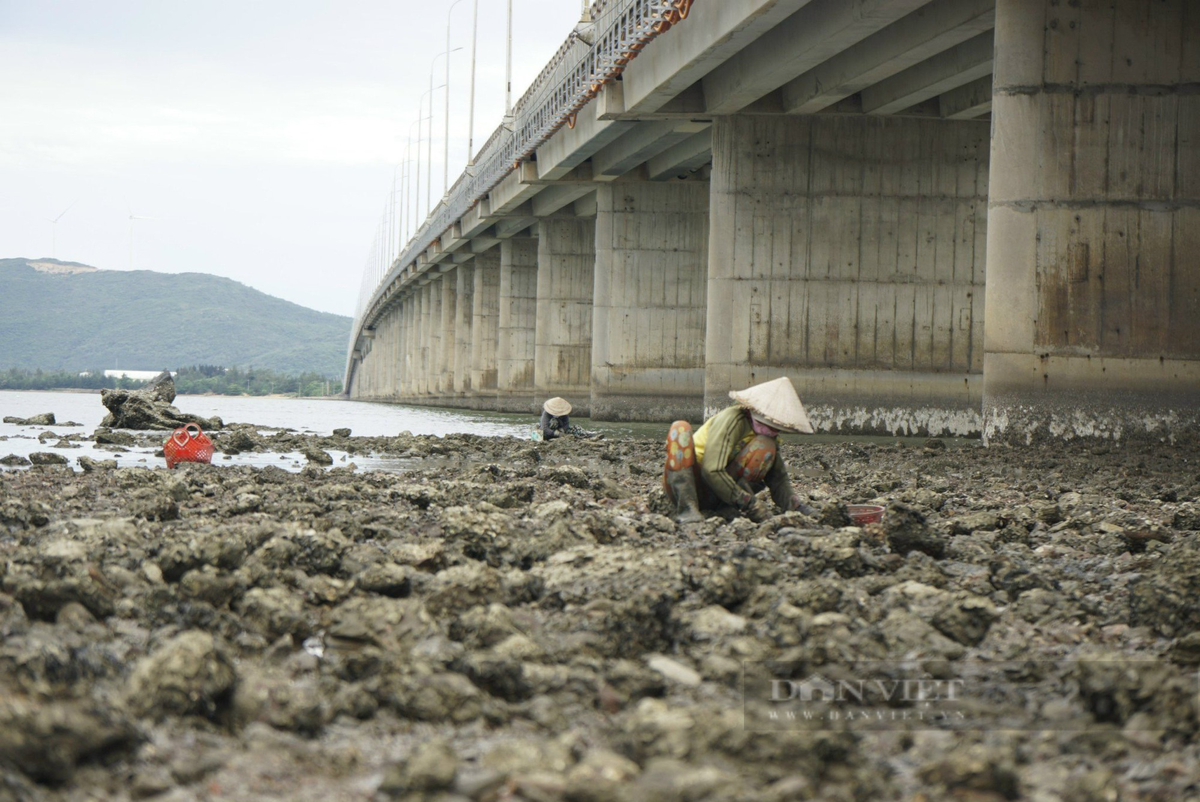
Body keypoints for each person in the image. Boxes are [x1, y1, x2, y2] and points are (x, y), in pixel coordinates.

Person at [663, 376, 817, 523]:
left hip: (721, 495)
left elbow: (778, 477)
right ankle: (687, 509)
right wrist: (747, 502)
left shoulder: (769, 437)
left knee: (766, 446)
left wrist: (796, 506)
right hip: (693, 484)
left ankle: (726, 508)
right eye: (769, 426)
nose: (772, 431)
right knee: (680, 428)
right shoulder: (732, 420)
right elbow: (711, 470)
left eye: (776, 429)